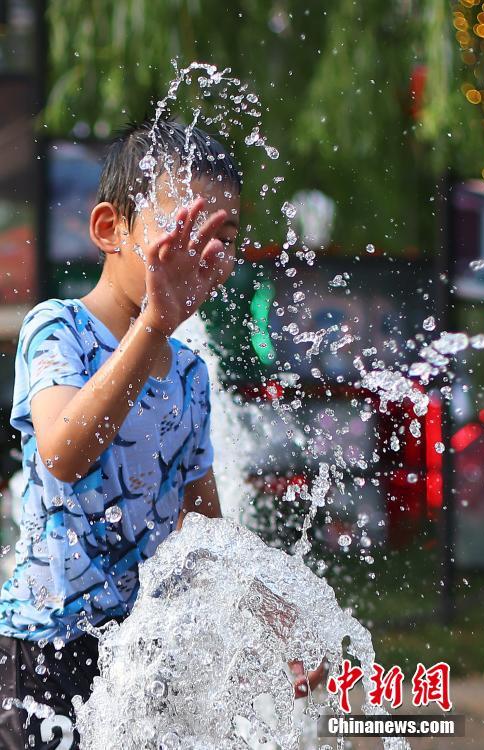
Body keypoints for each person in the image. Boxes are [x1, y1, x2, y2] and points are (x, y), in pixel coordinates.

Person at [0, 116, 324, 750]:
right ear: (109, 229)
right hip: (43, 653)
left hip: (136, 658)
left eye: (224, 237)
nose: (207, 256)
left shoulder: (192, 377)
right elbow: (64, 453)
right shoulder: (57, 329)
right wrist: (153, 321)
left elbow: (203, 532)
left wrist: (273, 624)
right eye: (184, 230)